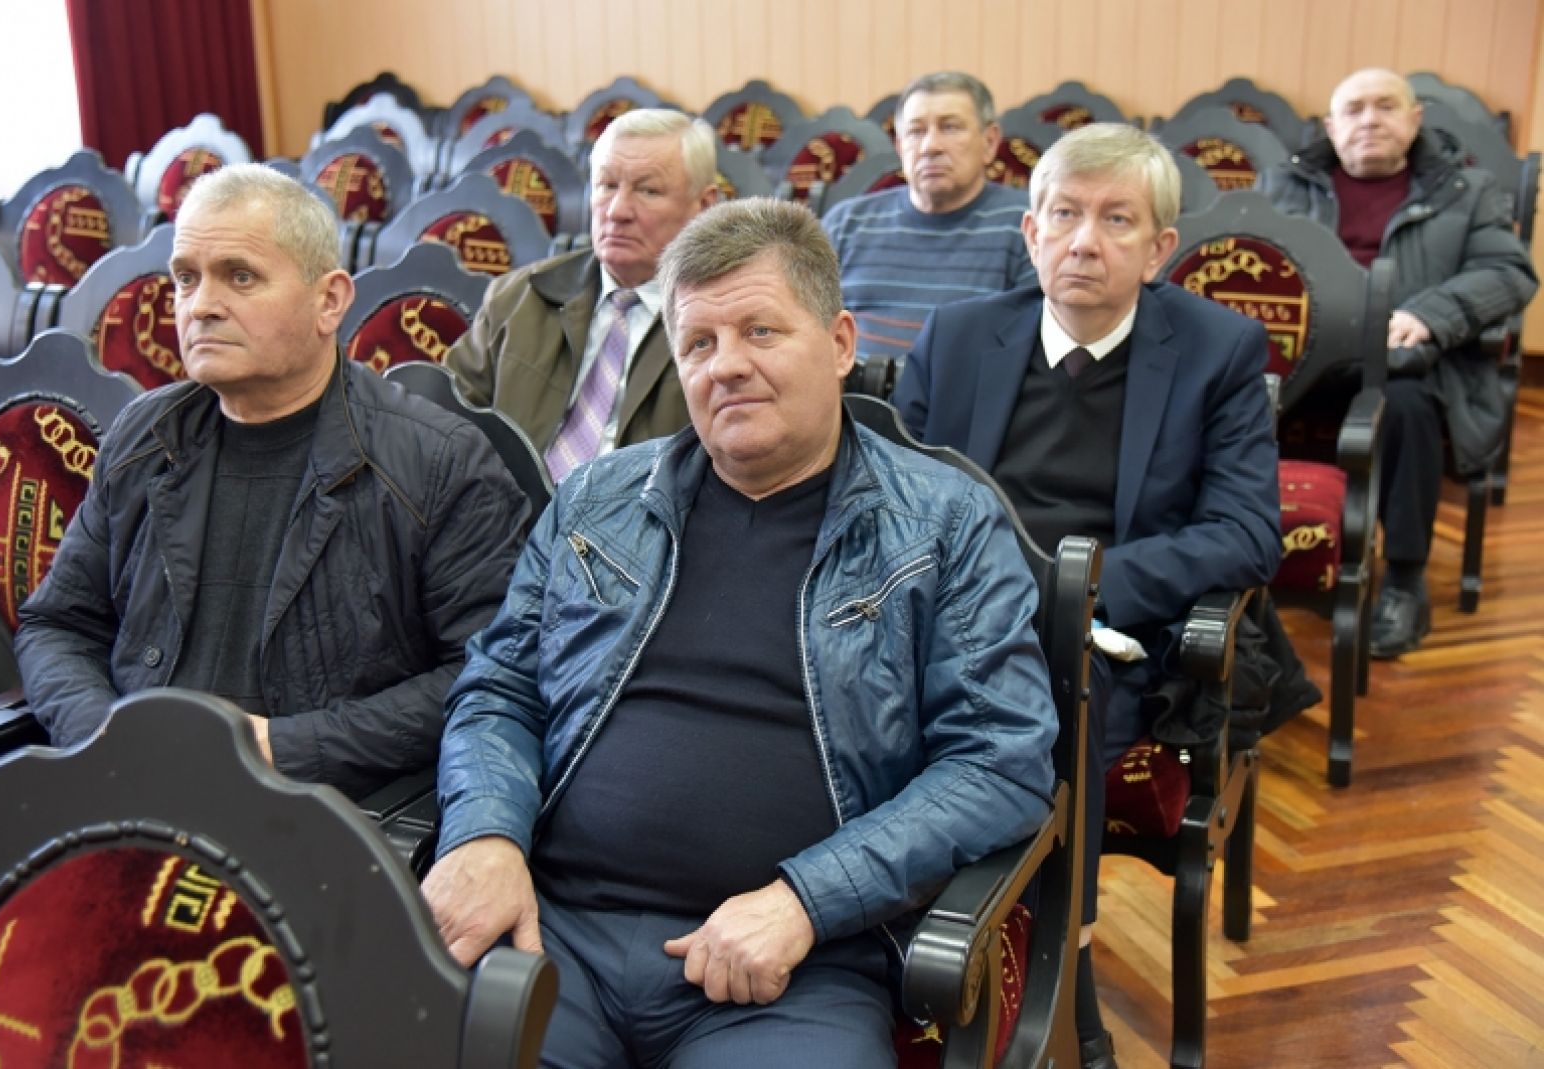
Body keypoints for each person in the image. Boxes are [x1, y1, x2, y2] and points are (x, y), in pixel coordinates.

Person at [421, 198, 1058, 1068]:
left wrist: (805, 899)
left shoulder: (945, 525)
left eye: (760, 331)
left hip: (799, 964)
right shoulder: (596, 498)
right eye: (698, 343)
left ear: (840, 343)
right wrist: (486, 832)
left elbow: (998, 760)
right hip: (556, 925)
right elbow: (499, 688)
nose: (726, 365)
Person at [893, 123, 1283, 1069]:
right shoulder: (958, 336)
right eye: (1064, 215)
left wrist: (1078, 590)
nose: (1083, 241)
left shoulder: (1219, 350)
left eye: (1116, 220)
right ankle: (912, 956)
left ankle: (1055, 981)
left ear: (1158, 249)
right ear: (1030, 232)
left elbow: (1246, 532)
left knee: (1043, 704)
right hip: (949, 618)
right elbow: (889, 495)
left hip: (1110, 635)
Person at [13, 163, 530, 800]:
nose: (201, 305)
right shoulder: (142, 436)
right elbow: (57, 625)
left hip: (322, 809)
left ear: (330, 301)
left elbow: (488, 673)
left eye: (240, 276)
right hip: (131, 790)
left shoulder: (440, 461)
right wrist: (108, 736)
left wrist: (281, 748)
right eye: (185, 278)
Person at [1258, 67, 1537, 657]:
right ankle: (1245, 564)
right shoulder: (1282, 184)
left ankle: (1405, 582)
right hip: (1303, 361)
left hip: (1407, 363)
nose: (1370, 120)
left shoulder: (1465, 190)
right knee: (1234, 400)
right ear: (1331, 127)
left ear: (1415, 120)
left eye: (1386, 106)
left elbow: (1509, 272)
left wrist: (1432, 314)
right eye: (1354, 109)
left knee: (1406, 408)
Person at [444, 109, 718, 481]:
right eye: (606, 185)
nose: (617, 211)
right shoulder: (519, 296)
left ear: (704, 205)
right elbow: (446, 423)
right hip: (506, 507)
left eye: (648, 190)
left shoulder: (720, 320)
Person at [821, 71, 1036, 363]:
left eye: (950, 127)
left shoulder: (1027, 227)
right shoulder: (845, 224)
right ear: (900, 146)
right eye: (916, 131)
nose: (930, 146)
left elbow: (1027, 350)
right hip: (848, 389)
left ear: (989, 142)